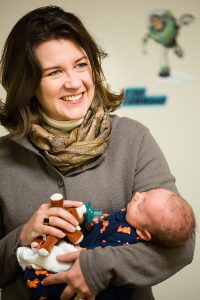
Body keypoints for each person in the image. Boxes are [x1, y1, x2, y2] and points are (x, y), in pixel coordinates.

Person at [0, 5, 195, 300]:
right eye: (54, 72)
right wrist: (22, 237)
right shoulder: (3, 158)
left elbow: (181, 245)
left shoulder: (134, 139)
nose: (75, 83)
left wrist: (96, 267)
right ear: (27, 84)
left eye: (81, 65)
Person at [17, 188, 195, 300]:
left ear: (143, 233)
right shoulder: (130, 215)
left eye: (142, 204)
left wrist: (84, 253)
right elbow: (107, 225)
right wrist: (96, 222)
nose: (138, 195)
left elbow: (104, 252)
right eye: (145, 193)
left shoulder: (127, 239)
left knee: (57, 285)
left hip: (96, 288)